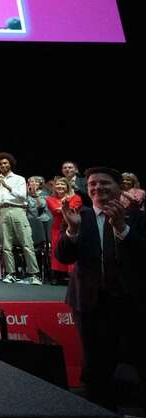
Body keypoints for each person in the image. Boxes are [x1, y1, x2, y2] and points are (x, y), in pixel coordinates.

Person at [56, 167, 146, 412]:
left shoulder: (136, 217)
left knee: (135, 362)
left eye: (104, 183)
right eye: (93, 184)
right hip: (88, 302)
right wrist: (72, 231)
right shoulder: (79, 216)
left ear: (119, 188)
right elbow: (62, 257)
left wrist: (121, 229)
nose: (98, 188)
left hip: (129, 302)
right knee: (94, 368)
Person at [0, 152, 41, 285]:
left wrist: (7, 185)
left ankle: (34, 274)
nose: (3, 165)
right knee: (6, 245)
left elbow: (22, 196)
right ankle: (10, 273)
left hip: (17, 209)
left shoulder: (19, 179)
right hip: (2, 210)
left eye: (5, 163)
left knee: (26, 242)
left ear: (10, 164)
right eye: (0, 164)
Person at [45, 177, 82, 285]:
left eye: (62, 184)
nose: (60, 186)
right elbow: (55, 210)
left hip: (72, 227)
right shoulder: (49, 199)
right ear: (54, 187)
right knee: (57, 250)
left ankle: (72, 275)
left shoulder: (77, 197)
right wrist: (65, 208)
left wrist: (63, 209)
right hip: (57, 227)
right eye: (58, 185)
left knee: (71, 249)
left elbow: (72, 210)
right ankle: (56, 276)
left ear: (67, 187)